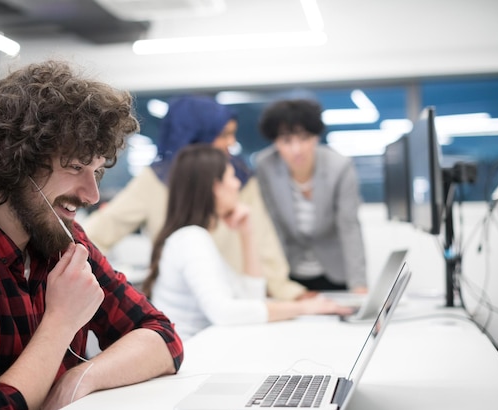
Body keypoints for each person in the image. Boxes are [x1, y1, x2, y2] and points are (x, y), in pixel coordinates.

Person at [0, 60, 183, 410]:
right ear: (14, 161)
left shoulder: (63, 240)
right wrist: (61, 321)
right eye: (75, 168)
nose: (92, 194)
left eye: (96, 171)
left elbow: (161, 336)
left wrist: (80, 378)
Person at [84, 95, 310, 300]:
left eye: (233, 133)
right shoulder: (154, 182)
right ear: (196, 137)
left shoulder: (237, 178)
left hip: (240, 300)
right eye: (224, 135)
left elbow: (264, 241)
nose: (232, 142)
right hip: (184, 308)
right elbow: (97, 233)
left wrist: (287, 292)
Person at [142, 144, 354, 340]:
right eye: (231, 177)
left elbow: (251, 297)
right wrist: (303, 307)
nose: (236, 184)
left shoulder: (194, 237)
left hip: (206, 352)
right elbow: (224, 313)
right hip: (193, 359)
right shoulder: (191, 239)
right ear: (216, 187)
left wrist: (247, 233)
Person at [255, 99, 368, 293]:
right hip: (289, 270)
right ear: (275, 142)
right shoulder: (266, 166)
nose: (296, 149)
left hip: (334, 271)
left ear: (316, 137)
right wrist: (272, 279)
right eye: (286, 141)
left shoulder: (339, 166)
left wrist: (359, 284)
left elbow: (349, 227)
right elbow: (271, 226)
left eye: (304, 138)